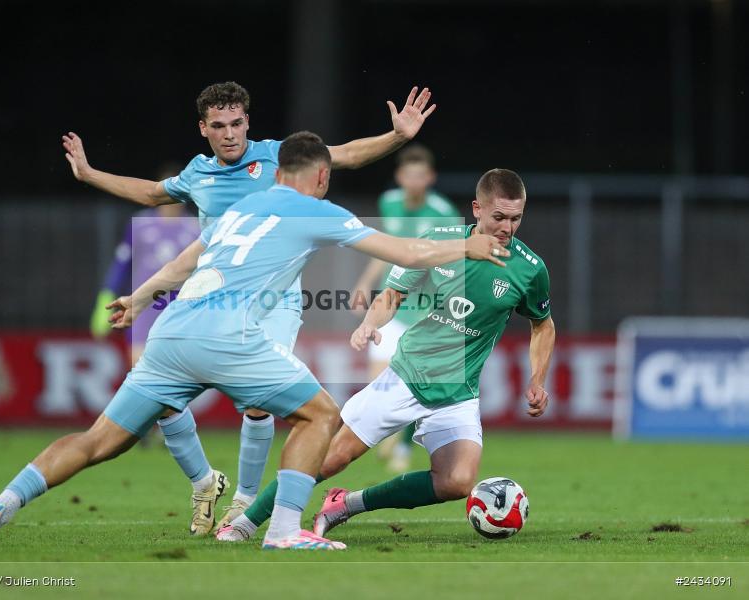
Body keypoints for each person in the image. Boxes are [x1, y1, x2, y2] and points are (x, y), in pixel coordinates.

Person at [0, 132, 510, 550]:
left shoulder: (242, 207)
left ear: (279, 170)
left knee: (98, 441)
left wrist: (140, 299)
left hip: (172, 329)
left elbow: (186, 259)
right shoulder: (318, 209)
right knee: (320, 416)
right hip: (228, 334)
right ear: (320, 177)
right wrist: (468, 248)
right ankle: (284, 531)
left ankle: (1, 505)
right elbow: (409, 253)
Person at [62, 81, 437, 535]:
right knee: (162, 401)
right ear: (204, 129)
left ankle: (243, 499)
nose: (230, 134)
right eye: (219, 126)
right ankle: (203, 482)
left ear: (247, 122)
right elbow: (149, 194)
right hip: (209, 293)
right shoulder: (196, 174)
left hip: (274, 298)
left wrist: (396, 137)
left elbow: (347, 155)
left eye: (237, 123)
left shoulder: (278, 155)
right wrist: (89, 173)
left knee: (259, 403)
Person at [217, 168, 555, 542]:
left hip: (458, 393)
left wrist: (537, 379)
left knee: (457, 481)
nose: (508, 227)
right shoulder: (440, 243)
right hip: (405, 377)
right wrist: (370, 323)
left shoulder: (530, 269)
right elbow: (392, 295)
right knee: (328, 458)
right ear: (477, 209)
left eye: (515, 218)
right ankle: (244, 524)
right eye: (499, 217)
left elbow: (543, 324)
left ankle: (347, 504)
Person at [351, 144, 460, 473]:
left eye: (420, 175)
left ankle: (400, 446)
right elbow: (383, 249)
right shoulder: (390, 202)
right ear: (400, 177)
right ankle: (390, 439)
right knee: (378, 381)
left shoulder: (444, 213)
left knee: (414, 381)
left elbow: (455, 261)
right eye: (408, 175)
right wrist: (364, 282)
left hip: (425, 308)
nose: (414, 181)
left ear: (430, 178)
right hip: (392, 302)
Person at [89, 163, 199, 366]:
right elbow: (121, 264)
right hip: (144, 308)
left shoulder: (195, 228)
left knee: (177, 376)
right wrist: (104, 299)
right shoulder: (140, 224)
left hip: (179, 310)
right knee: (140, 370)